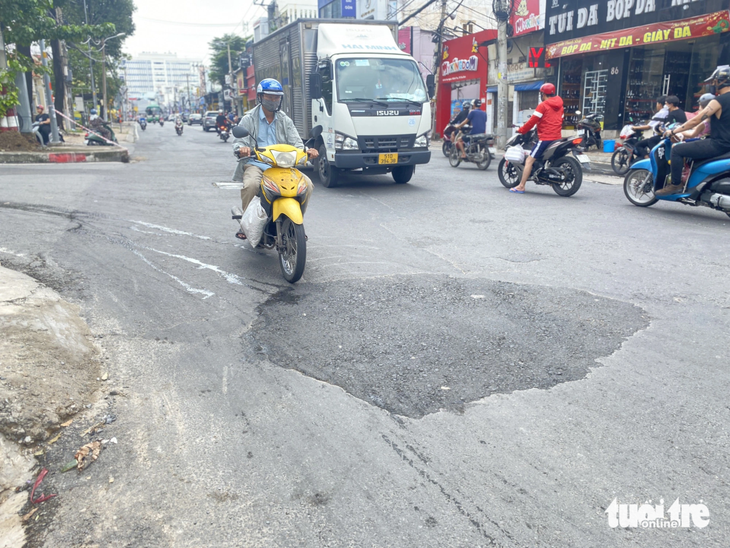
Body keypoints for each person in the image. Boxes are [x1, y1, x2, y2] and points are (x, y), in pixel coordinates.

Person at [232, 78, 319, 239]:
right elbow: (238, 144)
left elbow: (297, 144)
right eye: (269, 97)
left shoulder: (285, 120)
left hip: (283, 165)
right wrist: (242, 149)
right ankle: (247, 224)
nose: (273, 100)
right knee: (251, 185)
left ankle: (295, 223)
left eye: (276, 97)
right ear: (260, 97)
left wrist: (308, 151)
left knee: (307, 185)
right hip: (256, 163)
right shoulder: (249, 118)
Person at [657, 66, 730, 196]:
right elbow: (700, 126)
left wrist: (674, 131)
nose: (713, 84)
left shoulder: (718, 101)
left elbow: (695, 121)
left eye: (714, 81)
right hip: (726, 146)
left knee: (677, 150)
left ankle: (675, 185)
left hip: (719, 144)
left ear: (723, 81)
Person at [510, 83, 564, 193]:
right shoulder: (560, 106)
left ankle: (521, 186)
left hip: (546, 137)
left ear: (543, 94)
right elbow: (560, 119)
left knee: (529, 160)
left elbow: (532, 121)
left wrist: (521, 130)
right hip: (557, 137)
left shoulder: (543, 105)